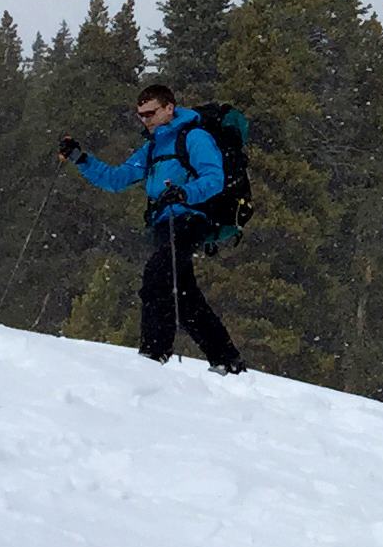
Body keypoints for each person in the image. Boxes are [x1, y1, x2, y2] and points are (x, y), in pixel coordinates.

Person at [59, 82, 245, 375]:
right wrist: (81, 159)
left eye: (151, 113)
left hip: (190, 219)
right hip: (162, 223)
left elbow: (214, 179)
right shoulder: (152, 148)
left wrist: (185, 193)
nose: (146, 120)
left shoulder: (196, 137)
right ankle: (227, 359)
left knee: (158, 275)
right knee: (184, 295)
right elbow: (116, 179)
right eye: (141, 116)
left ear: (169, 108)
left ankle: (153, 354)